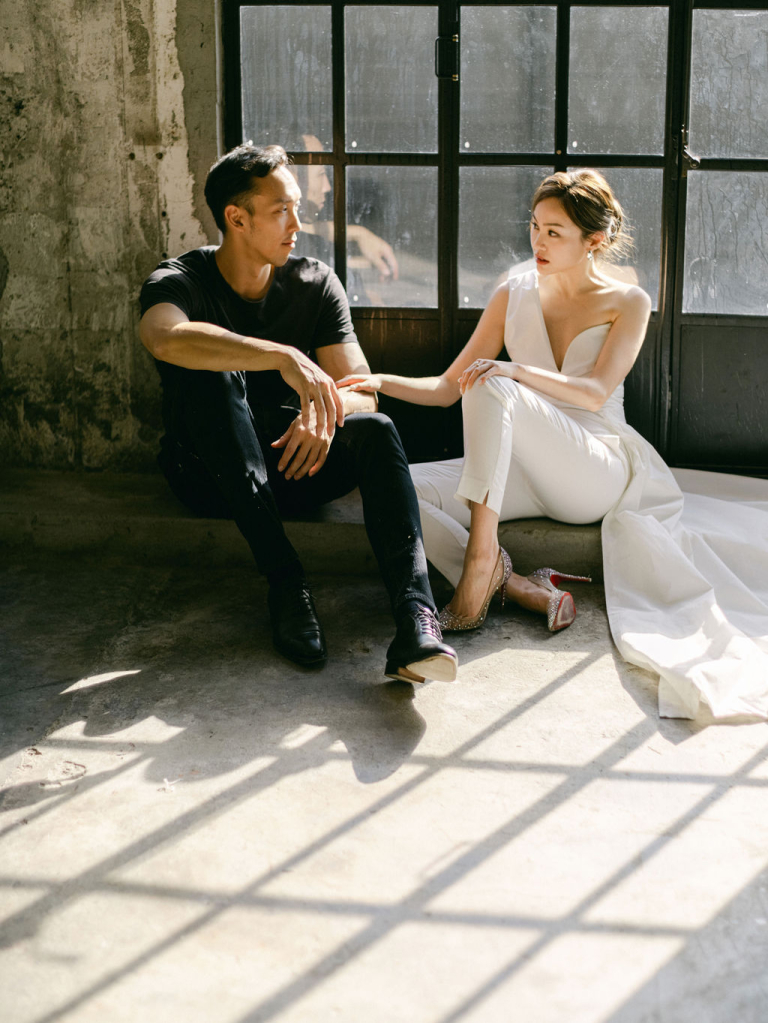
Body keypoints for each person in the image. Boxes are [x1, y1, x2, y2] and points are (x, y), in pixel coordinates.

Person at [342, 169, 768, 721]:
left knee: (492, 380)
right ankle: (515, 583)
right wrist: (379, 380)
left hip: (595, 467)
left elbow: (595, 393)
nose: (537, 242)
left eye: (554, 233)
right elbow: (449, 388)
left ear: (594, 240)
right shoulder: (513, 292)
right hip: (521, 468)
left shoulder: (628, 301)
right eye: (535, 227)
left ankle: (478, 565)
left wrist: (514, 371)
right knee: (394, 487)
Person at [138, 143, 457, 685]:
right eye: (282, 209)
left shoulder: (314, 282)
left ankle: (415, 621)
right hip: (209, 475)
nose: (298, 223)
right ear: (237, 218)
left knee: (377, 430)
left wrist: (322, 413)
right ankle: (286, 583)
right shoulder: (180, 280)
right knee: (213, 373)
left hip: (293, 461)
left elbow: (364, 393)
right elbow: (163, 337)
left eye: (297, 207)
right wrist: (281, 355)